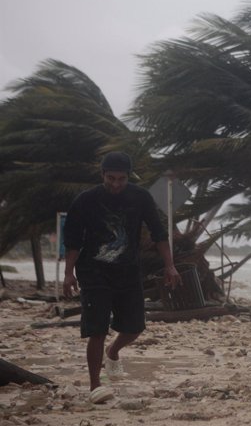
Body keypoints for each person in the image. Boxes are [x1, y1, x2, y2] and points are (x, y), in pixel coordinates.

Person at [62, 151, 181, 404]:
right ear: (102, 175)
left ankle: (113, 351)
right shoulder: (86, 200)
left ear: (129, 176)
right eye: (110, 178)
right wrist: (68, 273)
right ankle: (96, 385)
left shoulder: (141, 197)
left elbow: (159, 233)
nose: (116, 184)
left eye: (121, 179)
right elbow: (72, 240)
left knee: (135, 327)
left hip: (128, 271)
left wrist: (170, 266)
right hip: (93, 272)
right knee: (97, 328)